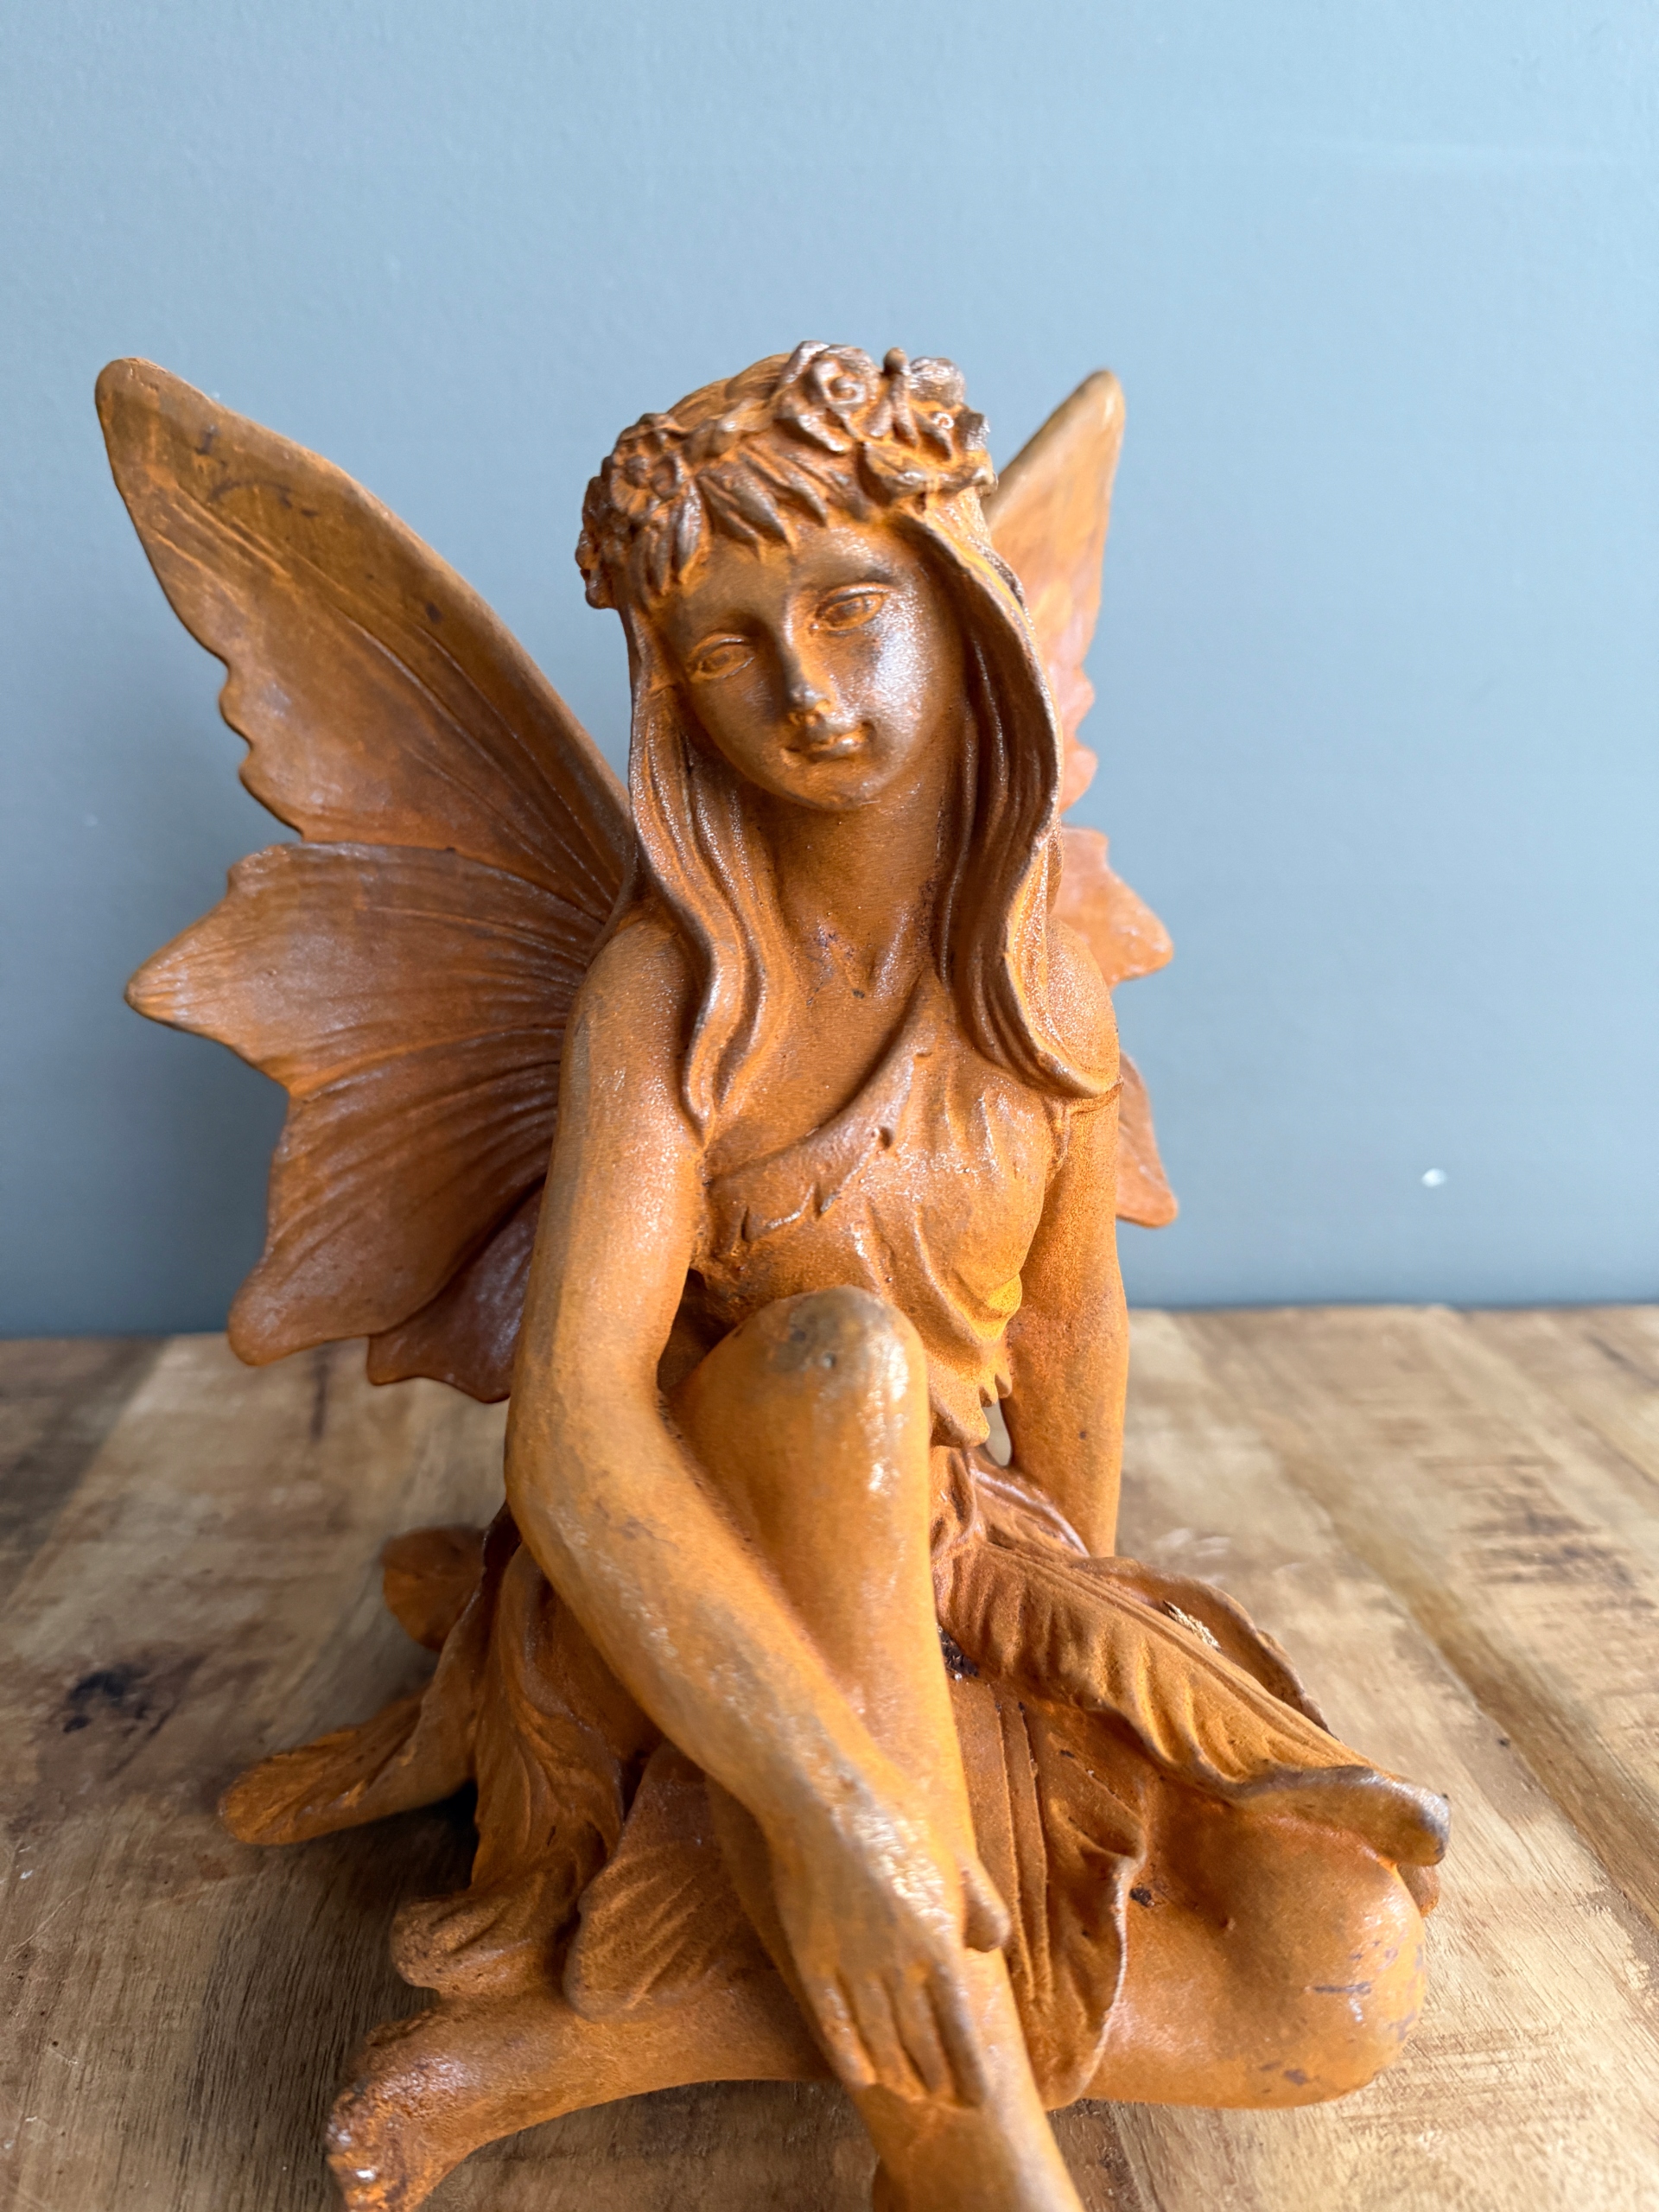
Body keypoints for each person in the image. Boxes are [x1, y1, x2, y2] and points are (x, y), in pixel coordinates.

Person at [217, 346, 1445, 2212]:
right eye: (728, 645)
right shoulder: (665, 993)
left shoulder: (1049, 972)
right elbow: (577, 1435)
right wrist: (837, 1810)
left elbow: (1064, 1327)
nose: (805, 687)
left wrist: (1057, 1664)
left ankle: (609, 2038)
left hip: (946, 1579)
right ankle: (977, 2170)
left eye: (854, 606)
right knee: (843, 1366)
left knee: (1337, 1969)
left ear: (963, 608)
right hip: (697, 1589)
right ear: (671, 693)